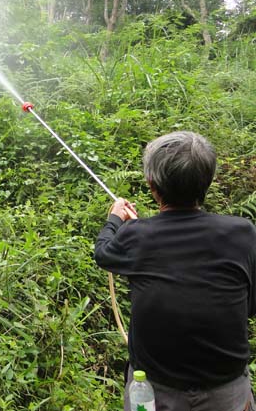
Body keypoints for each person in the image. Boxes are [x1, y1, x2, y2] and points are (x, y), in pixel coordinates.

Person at [94, 131, 256, 411]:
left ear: (151, 184)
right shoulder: (243, 233)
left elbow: (103, 253)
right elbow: (250, 305)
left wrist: (115, 219)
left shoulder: (136, 235)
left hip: (154, 391)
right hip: (227, 392)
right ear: (207, 181)